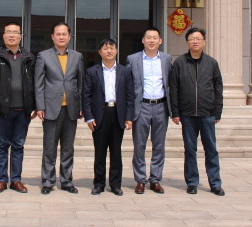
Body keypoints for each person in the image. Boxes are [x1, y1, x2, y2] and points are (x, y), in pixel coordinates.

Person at [0, 21, 36, 194]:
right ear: (4, 35)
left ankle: (16, 180)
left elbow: (35, 83)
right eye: (8, 32)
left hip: (23, 111)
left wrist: (35, 106)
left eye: (15, 32)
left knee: (18, 145)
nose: (12, 35)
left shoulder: (29, 57)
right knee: (2, 144)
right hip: (2, 110)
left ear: (21, 36)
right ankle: (1, 180)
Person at [170, 27, 224, 196]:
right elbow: (174, 88)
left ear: (204, 42)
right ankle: (192, 182)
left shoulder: (211, 63)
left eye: (198, 39)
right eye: (192, 39)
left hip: (207, 114)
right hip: (187, 115)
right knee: (190, 150)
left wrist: (217, 111)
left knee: (211, 149)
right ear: (187, 42)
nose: (195, 41)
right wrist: (175, 112)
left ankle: (215, 183)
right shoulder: (179, 63)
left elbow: (218, 88)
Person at [35, 22, 84, 195]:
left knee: (68, 149)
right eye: (58, 34)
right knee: (49, 148)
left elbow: (80, 83)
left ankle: (66, 181)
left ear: (69, 37)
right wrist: (40, 106)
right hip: (51, 109)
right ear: (52, 37)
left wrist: (81, 106)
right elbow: (38, 83)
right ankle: (47, 181)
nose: (61, 37)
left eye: (64, 34)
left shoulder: (77, 56)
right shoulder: (43, 56)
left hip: (71, 109)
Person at [82, 38, 134, 196]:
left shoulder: (125, 71)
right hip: (100, 114)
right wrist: (89, 117)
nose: (109, 51)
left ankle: (116, 184)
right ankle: (99, 184)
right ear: (100, 52)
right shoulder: (92, 71)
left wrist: (129, 117)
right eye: (105, 48)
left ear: (117, 51)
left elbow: (130, 96)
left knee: (116, 152)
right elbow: (86, 96)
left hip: (118, 114)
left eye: (112, 48)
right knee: (100, 151)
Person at [126, 26, 173, 194]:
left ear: (160, 41)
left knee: (159, 145)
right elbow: (128, 86)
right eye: (148, 37)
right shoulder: (133, 59)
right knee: (139, 145)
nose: (151, 40)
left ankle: (155, 179)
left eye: (155, 38)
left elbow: (170, 84)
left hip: (161, 106)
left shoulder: (167, 59)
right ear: (143, 40)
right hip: (142, 106)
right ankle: (140, 180)